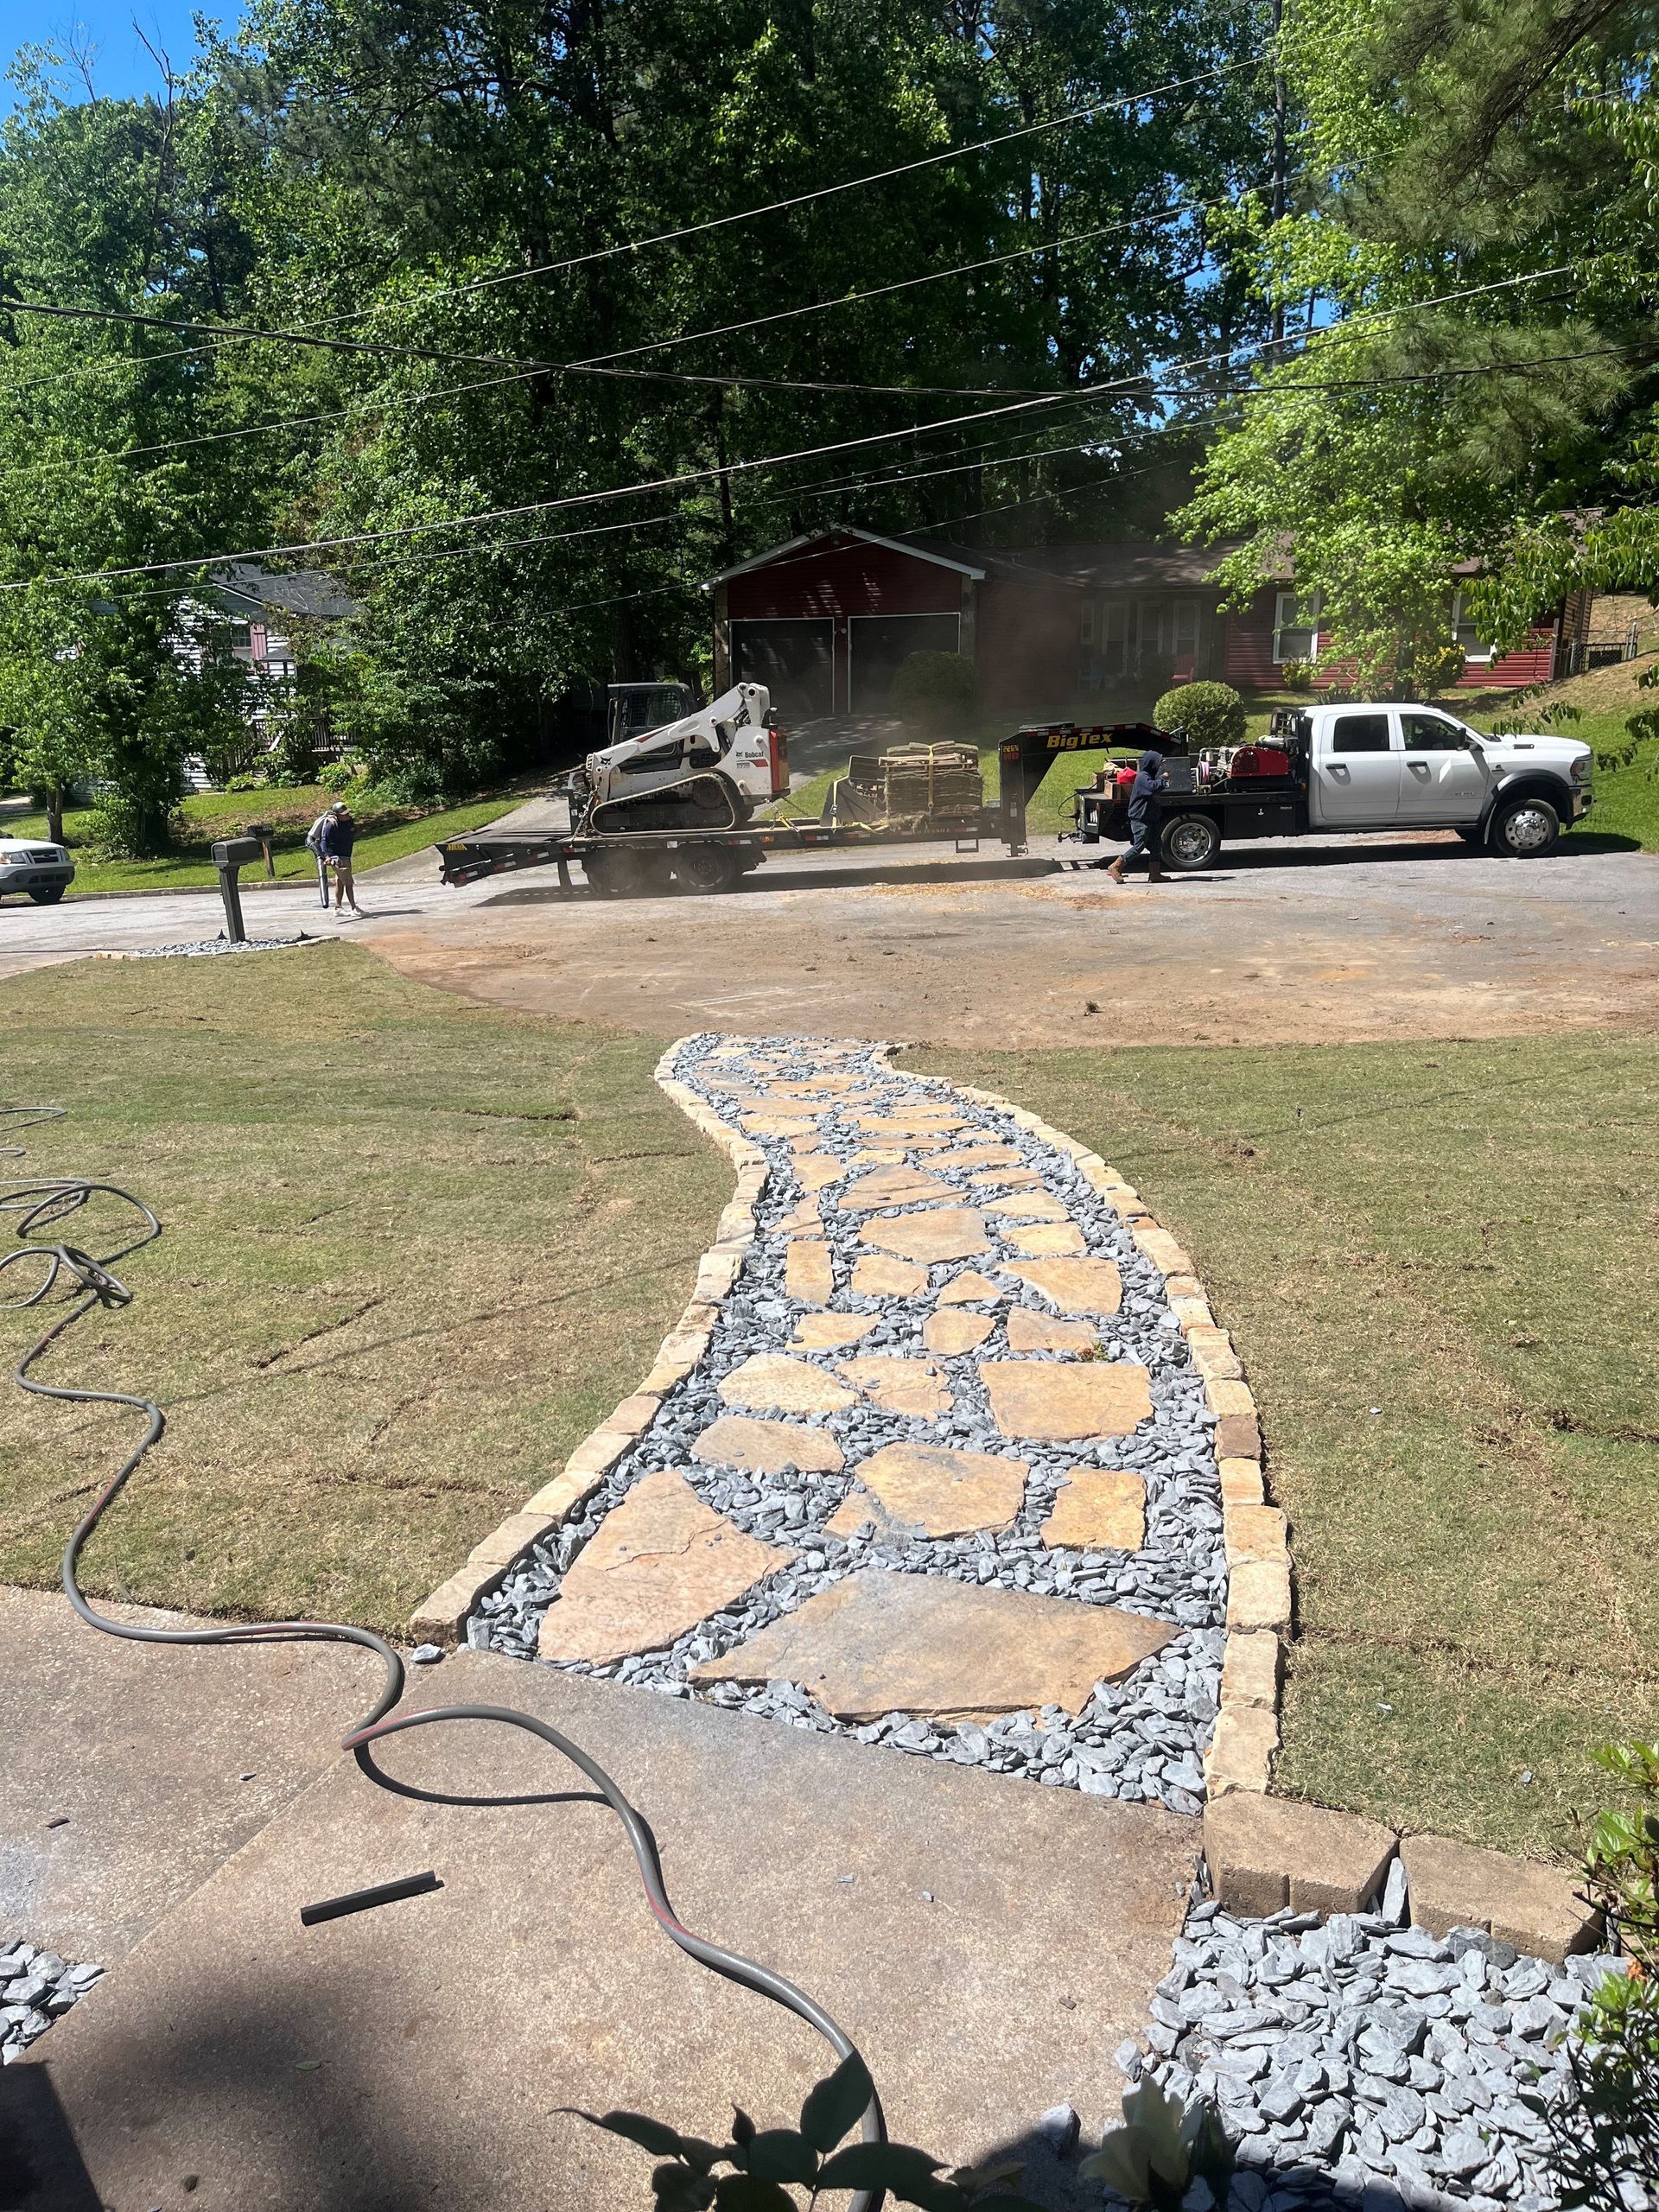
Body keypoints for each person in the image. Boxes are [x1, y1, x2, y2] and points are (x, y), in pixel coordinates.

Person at [1106, 749, 1167, 883]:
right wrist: (1163, 778)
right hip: (1141, 819)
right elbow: (1152, 788)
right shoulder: (1143, 777)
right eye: (1158, 762)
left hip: (1150, 817)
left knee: (1157, 845)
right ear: (1152, 764)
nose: (1160, 765)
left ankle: (1155, 874)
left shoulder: (1149, 776)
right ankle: (1115, 866)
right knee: (1139, 846)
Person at [321, 801, 362, 916]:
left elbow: (352, 833)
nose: (347, 815)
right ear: (337, 815)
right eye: (344, 814)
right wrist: (327, 856)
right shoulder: (331, 825)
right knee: (348, 881)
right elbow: (324, 841)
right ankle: (354, 908)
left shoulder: (349, 822)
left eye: (347, 813)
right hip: (336, 857)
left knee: (340, 881)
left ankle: (338, 908)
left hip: (346, 855)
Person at [303, 803, 335, 908]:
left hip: (330, 847)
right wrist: (320, 853)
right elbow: (309, 839)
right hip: (317, 845)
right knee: (322, 874)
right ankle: (325, 902)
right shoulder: (323, 820)